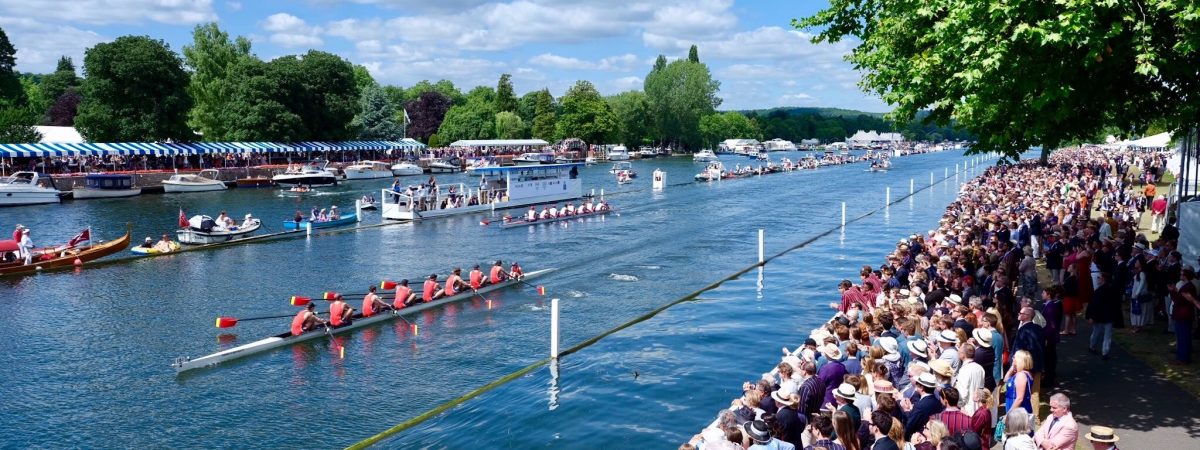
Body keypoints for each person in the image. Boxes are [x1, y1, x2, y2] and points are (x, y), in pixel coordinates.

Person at [1085, 273, 1121, 360]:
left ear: (1103, 279)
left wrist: (1091, 316)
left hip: (1099, 316)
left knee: (1096, 332)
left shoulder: (1098, 291)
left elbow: (1094, 305)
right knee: (1107, 336)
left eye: (1099, 277)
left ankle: (1092, 346)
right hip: (1109, 316)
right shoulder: (1113, 290)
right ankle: (1105, 352)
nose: (1098, 279)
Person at [1167, 266, 1198, 364]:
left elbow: (1180, 300)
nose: (1180, 275)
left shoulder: (1189, 286)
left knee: (1183, 336)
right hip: (1183, 314)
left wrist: (1172, 291)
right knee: (1183, 336)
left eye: (1182, 274)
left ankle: (1182, 358)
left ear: (1186, 275)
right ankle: (1183, 356)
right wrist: (1175, 290)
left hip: (1183, 314)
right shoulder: (1187, 285)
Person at [903, 373, 944, 441]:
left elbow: (910, 425)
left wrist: (906, 410)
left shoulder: (920, 406)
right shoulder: (938, 402)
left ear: (922, 388)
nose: (916, 386)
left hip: (919, 439)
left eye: (917, 384)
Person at [1003, 350, 1034, 416]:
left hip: (1017, 408)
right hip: (1014, 404)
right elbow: (1006, 380)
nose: (1012, 358)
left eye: (1014, 357)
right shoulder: (1023, 373)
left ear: (1019, 360)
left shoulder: (1021, 375)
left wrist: (1009, 414)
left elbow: (1019, 398)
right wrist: (1012, 368)